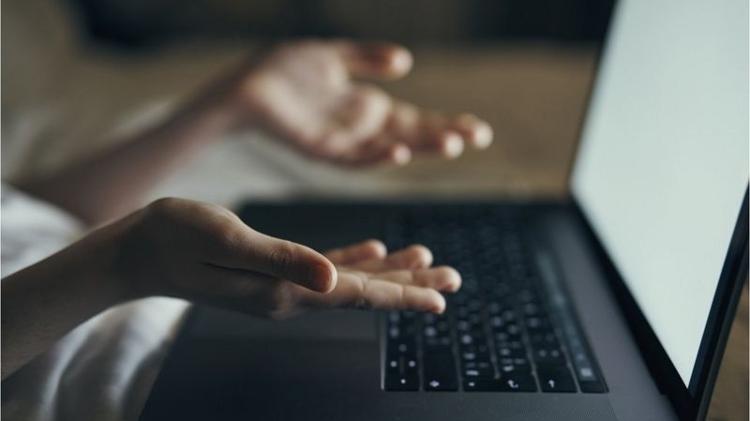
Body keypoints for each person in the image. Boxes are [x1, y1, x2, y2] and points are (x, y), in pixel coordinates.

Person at [1, 40, 492, 420]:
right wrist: (119, 262)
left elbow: (26, 216)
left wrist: (226, 106)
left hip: (190, 326)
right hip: (134, 393)